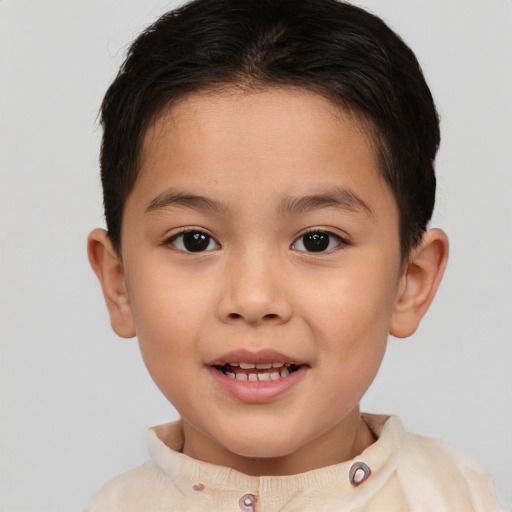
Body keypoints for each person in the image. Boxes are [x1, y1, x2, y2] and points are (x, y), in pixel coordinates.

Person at [85, 0, 501, 509]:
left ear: (410, 280)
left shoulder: (465, 497)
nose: (254, 298)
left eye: (317, 240)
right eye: (194, 240)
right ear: (118, 281)